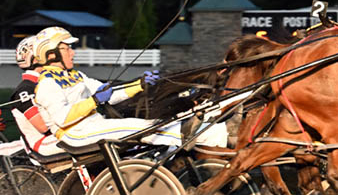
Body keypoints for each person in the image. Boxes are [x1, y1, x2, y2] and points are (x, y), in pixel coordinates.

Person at [31, 26, 227, 149]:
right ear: (51, 55)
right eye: (67, 49)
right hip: (74, 135)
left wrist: (138, 85)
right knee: (143, 128)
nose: (72, 53)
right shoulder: (47, 84)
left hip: (93, 125)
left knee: (142, 126)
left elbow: (108, 93)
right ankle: (202, 136)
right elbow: (63, 118)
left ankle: (211, 135)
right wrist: (95, 100)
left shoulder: (76, 76)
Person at [9, 35, 63, 156]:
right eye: (49, 54)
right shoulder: (25, 90)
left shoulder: (48, 82)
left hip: (55, 137)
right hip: (41, 143)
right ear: (35, 59)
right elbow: (43, 127)